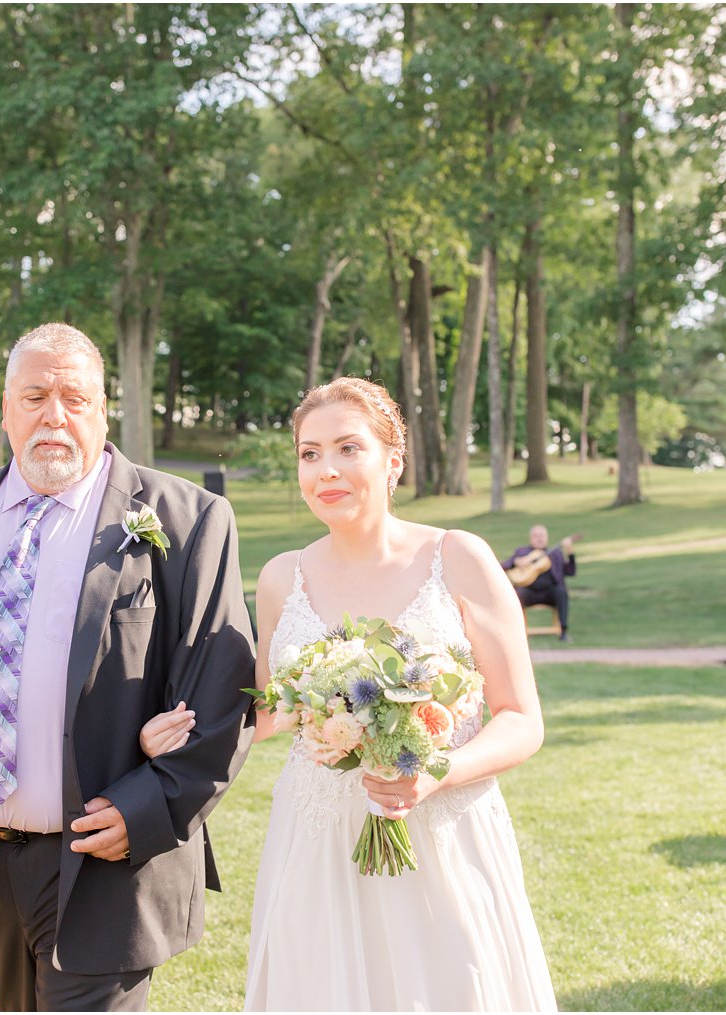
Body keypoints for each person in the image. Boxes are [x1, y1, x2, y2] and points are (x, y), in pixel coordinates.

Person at [0, 323, 255, 1012]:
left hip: (105, 862)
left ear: (104, 409)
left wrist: (147, 809)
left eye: (74, 397)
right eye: (35, 395)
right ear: (6, 407)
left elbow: (222, 695)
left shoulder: (188, 520)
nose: (55, 414)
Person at [142, 377, 556, 1011]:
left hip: (442, 831)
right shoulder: (285, 576)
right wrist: (174, 732)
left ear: (393, 461)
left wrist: (437, 772)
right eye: (310, 454)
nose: (325, 470)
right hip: (318, 836)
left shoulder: (461, 559)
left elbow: (522, 719)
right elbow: (270, 709)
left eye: (347, 448)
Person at [501, 524, 577, 641]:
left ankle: (563, 632)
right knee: (516, 595)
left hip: (550, 593)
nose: (539, 538)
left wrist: (570, 552)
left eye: (542, 535)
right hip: (529, 592)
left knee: (561, 591)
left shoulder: (555, 553)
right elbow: (504, 565)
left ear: (546, 538)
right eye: (536, 536)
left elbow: (571, 572)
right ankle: (517, 633)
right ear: (530, 538)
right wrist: (517, 561)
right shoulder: (522, 552)